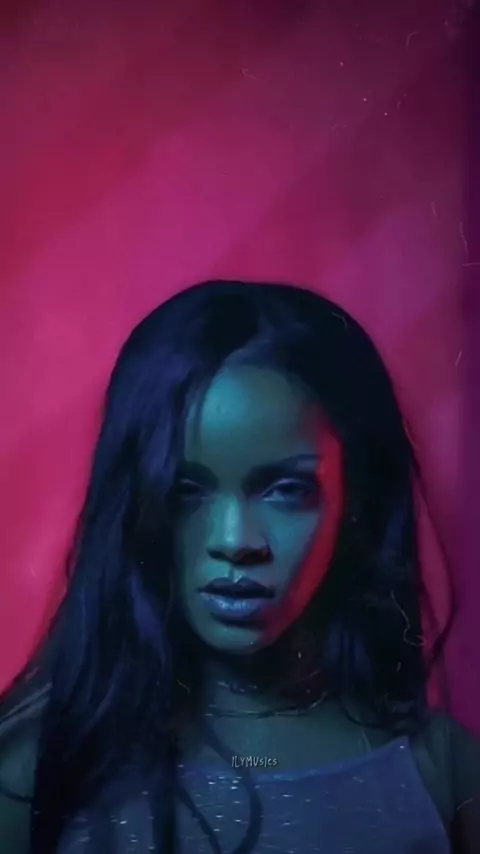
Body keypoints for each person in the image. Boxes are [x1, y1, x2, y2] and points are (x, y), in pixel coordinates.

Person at [0, 280, 478, 854]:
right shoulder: (35, 770)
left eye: (286, 490)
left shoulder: (442, 775)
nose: (235, 542)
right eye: (185, 491)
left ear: (357, 499)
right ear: (134, 502)